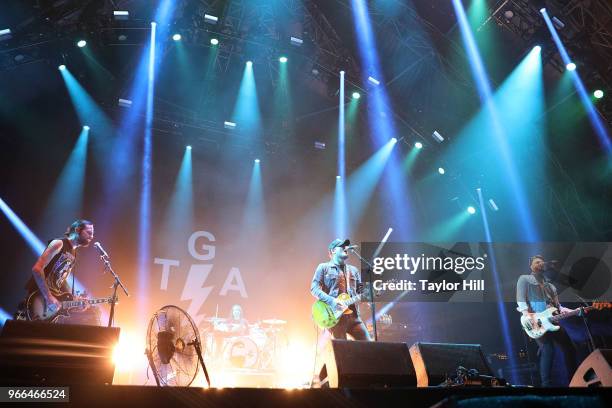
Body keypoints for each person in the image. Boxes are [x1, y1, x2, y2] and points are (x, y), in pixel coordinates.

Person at [18, 219, 100, 324]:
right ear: (77, 230)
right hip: (38, 299)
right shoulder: (59, 243)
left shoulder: (74, 254)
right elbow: (37, 269)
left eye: (92, 234)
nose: (91, 236)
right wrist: (48, 297)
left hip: (50, 306)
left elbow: (59, 281)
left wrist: (75, 302)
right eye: (89, 233)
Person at [516, 255, 578, 386]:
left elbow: (558, 306)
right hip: (536, 321)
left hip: (553, 321)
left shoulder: (551, 286)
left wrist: (574, 311)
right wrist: (527, 316)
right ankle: (546, 385)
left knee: (570, 348)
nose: (540, 264)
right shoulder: (525, 279)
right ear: (530, 266)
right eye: (537, 262)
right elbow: (520, 299)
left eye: (542, 262)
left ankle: (574, 381)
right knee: (548, 349)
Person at [311, 238, 371, 341]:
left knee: (368, 346)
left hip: (354, 317)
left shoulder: (354, 270)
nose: (345, 248)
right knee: (343, 351)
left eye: (346, 246)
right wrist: (333, 301)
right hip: (335, 317)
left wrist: (368, 295)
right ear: (333, 250)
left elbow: (360, 292)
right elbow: (314, 289)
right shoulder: (323, 267)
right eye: (342, 246)